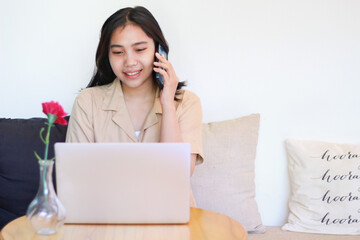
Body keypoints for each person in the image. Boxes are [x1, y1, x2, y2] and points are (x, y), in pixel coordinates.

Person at [66, 6, 203, 206]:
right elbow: (76, 177)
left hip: (170, 218)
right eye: (118, 52)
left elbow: (177, 176)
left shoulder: (187, 103)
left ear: (159, 51)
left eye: (139, 49)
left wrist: (167, 103)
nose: (129, 61)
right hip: (106, 217)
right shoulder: (88, 102)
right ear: (108, 56)